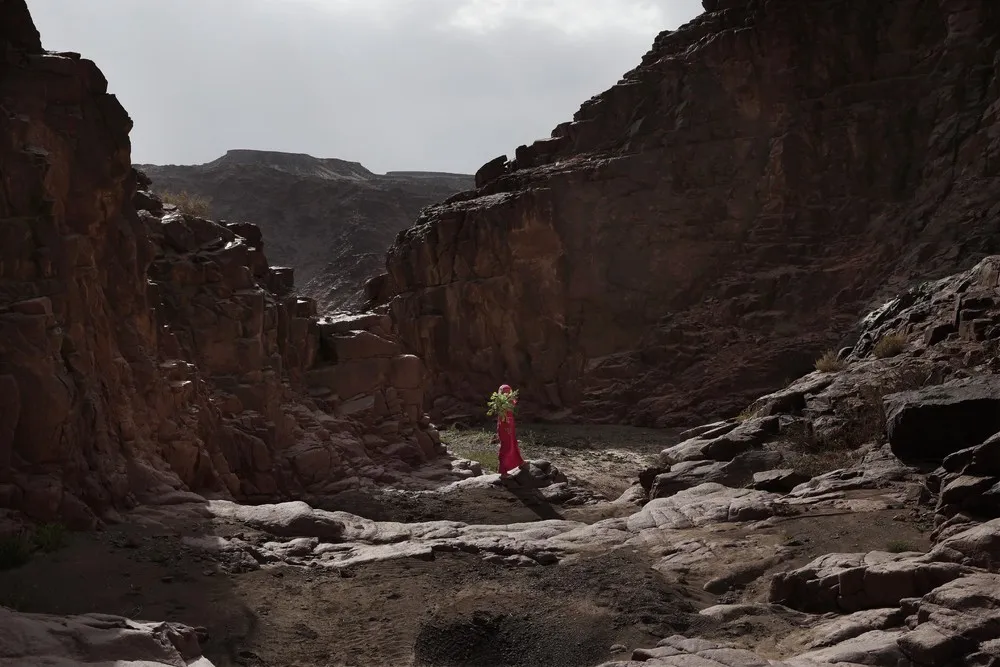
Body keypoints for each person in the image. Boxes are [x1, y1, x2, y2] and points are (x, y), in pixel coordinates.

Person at [496, 384, 526, 479]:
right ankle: (503, 471)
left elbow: (513, 404)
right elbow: (502, 413)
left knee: (513, 443)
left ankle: (520, 462)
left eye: (509, 391)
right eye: (505, 392)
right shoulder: (500, 402)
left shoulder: (510, 400)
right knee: (506, 446)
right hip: (504, 426)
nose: (507, 393)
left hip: (510, 424)